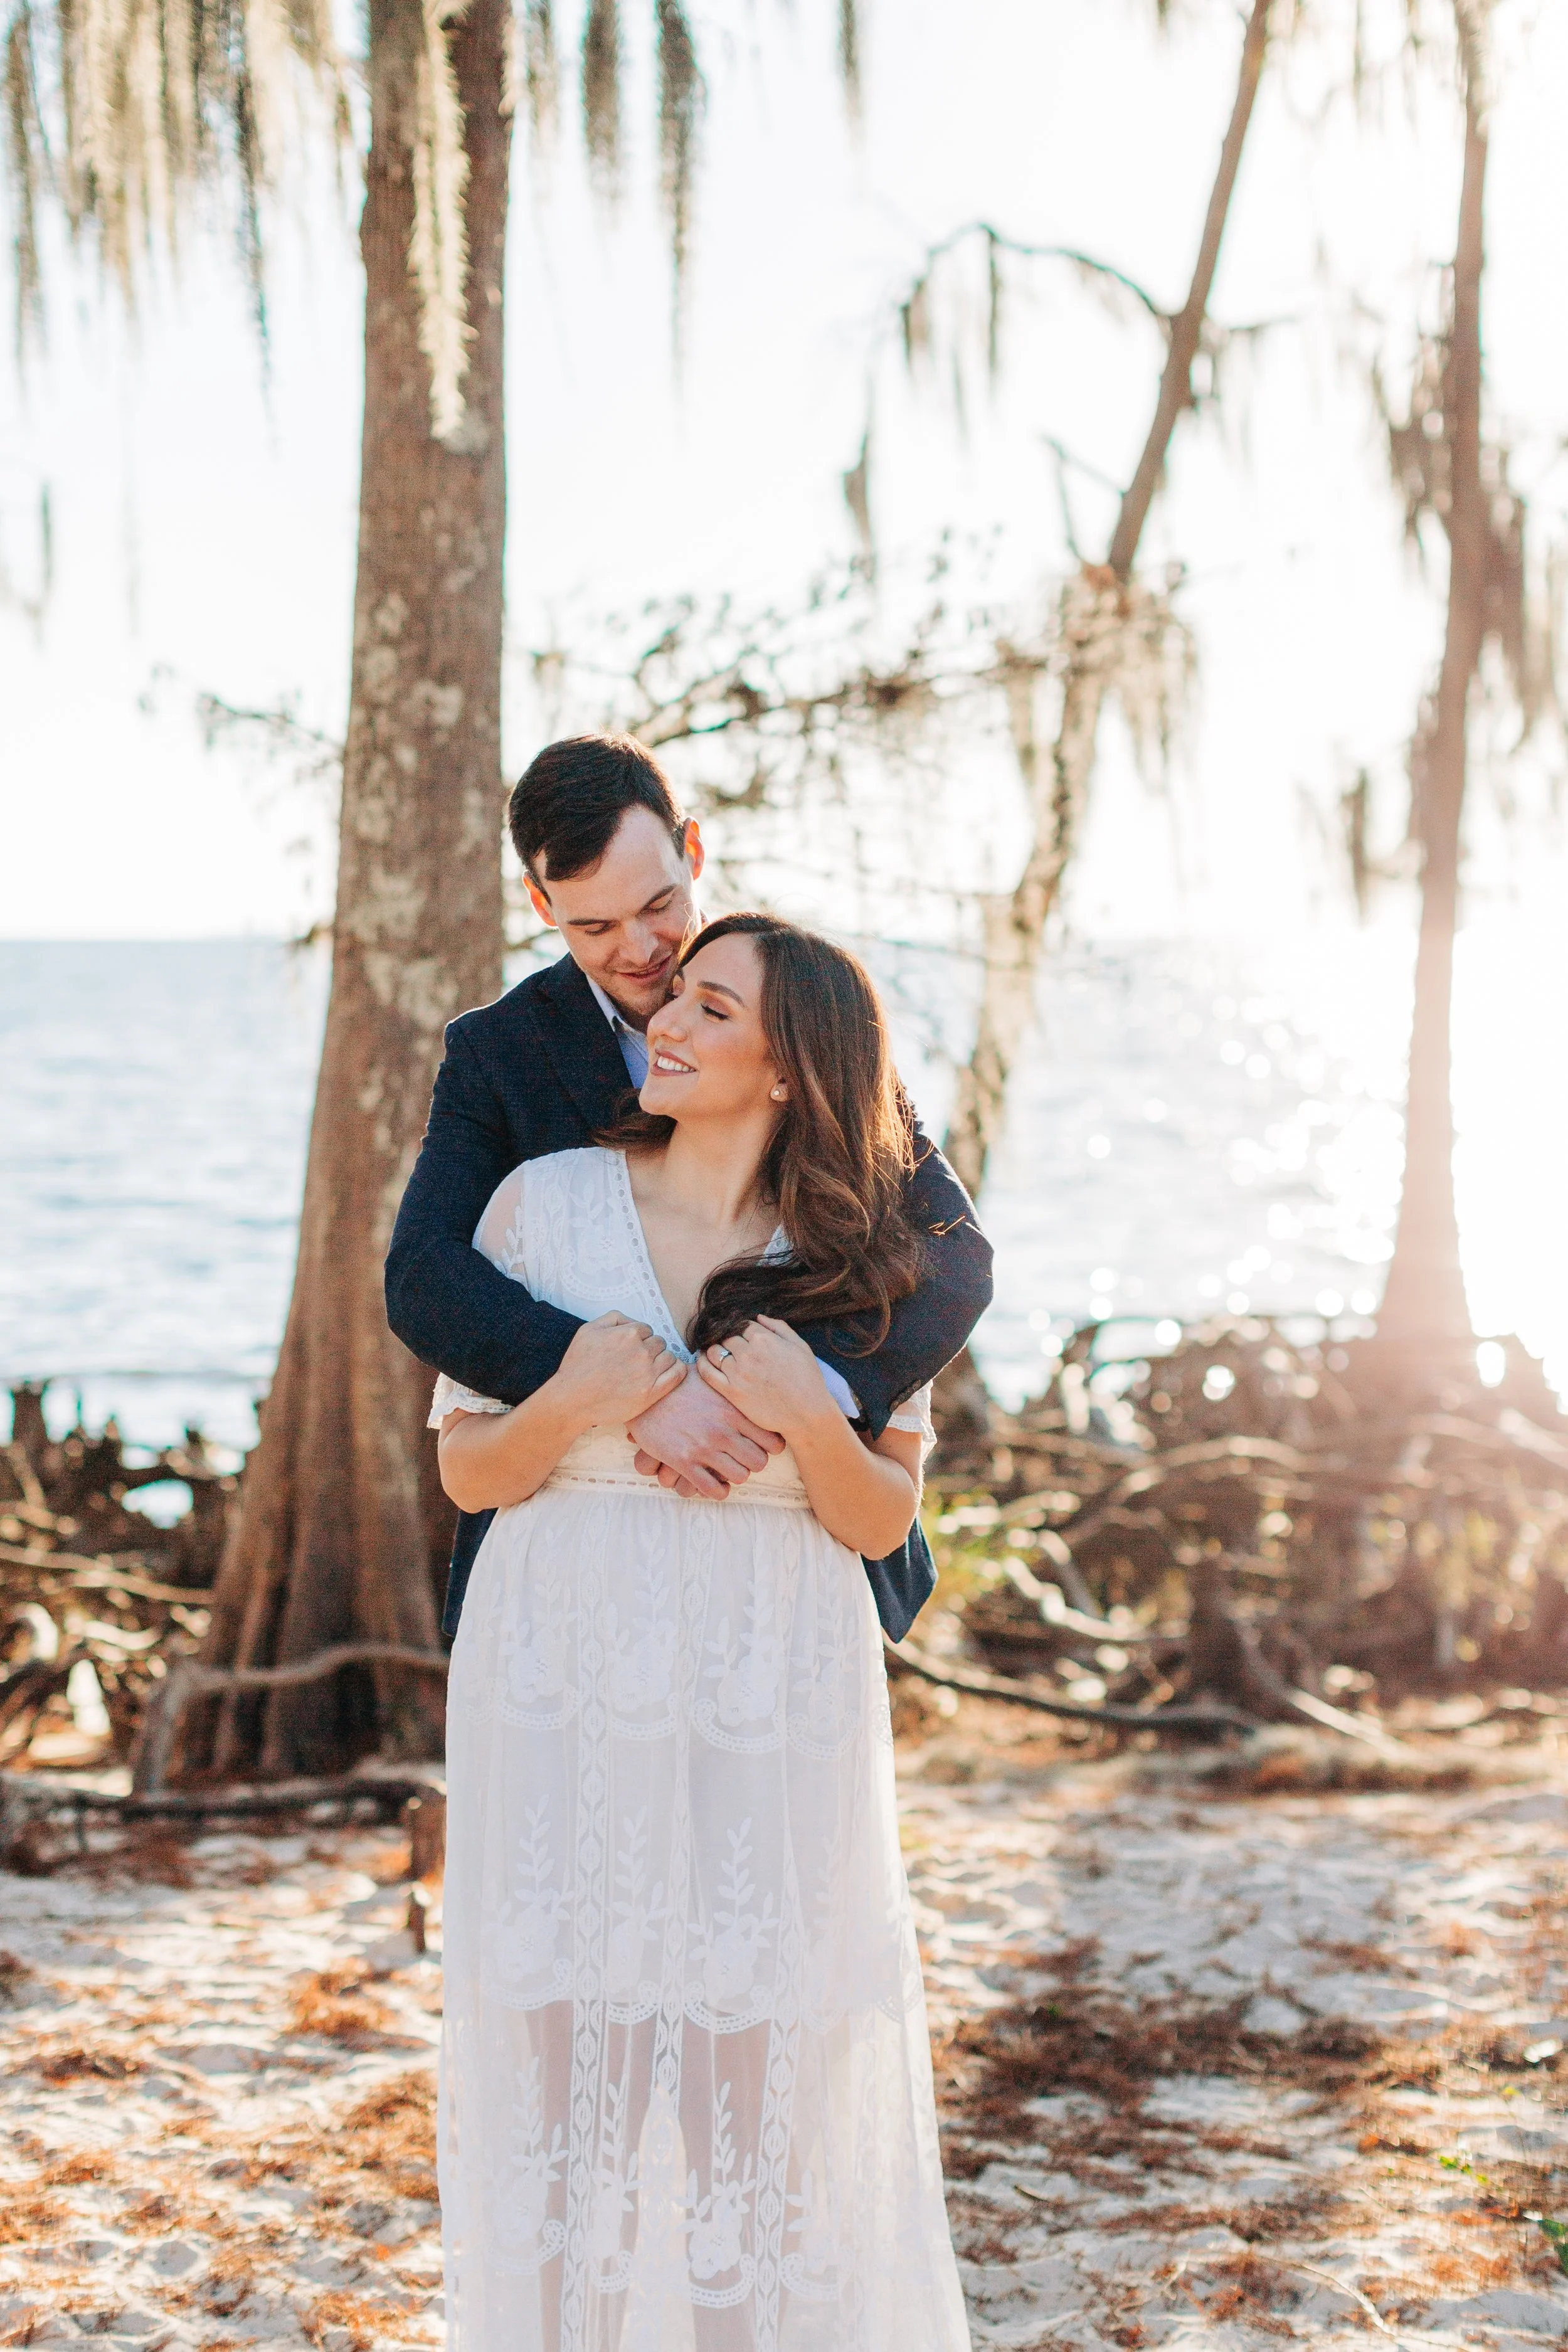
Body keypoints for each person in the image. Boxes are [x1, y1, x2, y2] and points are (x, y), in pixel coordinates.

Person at [432, 912, 972, 2350]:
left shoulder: (863, 1265)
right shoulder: (540, 1206)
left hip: (770, 1680)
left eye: (710, 1009)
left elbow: (877, 1522)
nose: (663, 1021)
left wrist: (809, 1415)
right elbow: (469, 1474)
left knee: (757, 2081)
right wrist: (576, 1395)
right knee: (561, 2078)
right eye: (674, 996)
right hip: (561, 1668)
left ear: (792, 1067)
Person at [385, 734, 993, 1642]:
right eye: (593, 927)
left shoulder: (795, 1007)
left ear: (693, 849)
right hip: (571, 1566)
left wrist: (789, 1394)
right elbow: (423, 1276)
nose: (638, 950)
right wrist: (638, 1391)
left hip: (786, 1565)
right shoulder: (499, 1054)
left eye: (658, 906)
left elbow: (955, 1256)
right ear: (542, 904)